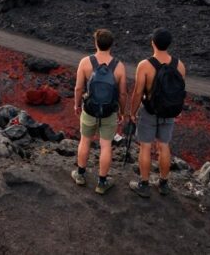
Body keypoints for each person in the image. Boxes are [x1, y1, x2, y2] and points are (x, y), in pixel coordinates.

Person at [128, 28, 187, 198]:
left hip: (149, 111)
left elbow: (138, 92)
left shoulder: (145, 65)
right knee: (164, 146)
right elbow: (179, 91)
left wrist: (132, 112)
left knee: (145, 147)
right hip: (169, 112)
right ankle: (163, 183)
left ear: (152, 43)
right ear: (169, 44)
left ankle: (144, 184)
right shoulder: (179, 65)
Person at [71, 28, 128, 195]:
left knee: (85, 140)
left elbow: (78, 88)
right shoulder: (119, 67)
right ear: (112, 45)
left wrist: (77, 105)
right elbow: (123, 93)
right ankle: (102, 182)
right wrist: (122, 112)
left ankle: (80, 174)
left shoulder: (85, 63)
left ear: (96, 43)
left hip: (89, 110)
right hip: (109, 112)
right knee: (106, 145)